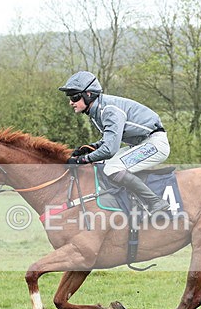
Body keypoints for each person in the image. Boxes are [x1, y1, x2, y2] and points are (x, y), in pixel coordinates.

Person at [59, 70, 171, 214]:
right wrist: (90, 147)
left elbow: (109, 149)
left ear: (88, 94)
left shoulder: (109, 110)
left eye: (74, 97)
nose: (71, 102)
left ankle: (155, 201)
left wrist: (82, 160)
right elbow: (109, 140)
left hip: (154, 145)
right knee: (103, 164)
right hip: (142, 143)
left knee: (112, 168)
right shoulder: (98, 110)